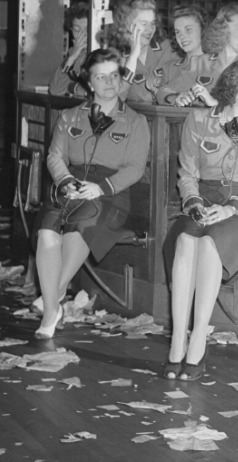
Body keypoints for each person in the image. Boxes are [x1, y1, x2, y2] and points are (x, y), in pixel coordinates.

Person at [163, 59, 238, 380]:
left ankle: (198, 338)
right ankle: (177, 339)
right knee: (185, 241)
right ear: (235, 91)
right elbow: (187, 173)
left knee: (209, 245)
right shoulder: (199, 120)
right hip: (204, 201)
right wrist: (194, 202)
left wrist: (233, 208)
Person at [32, 49, 151, 339]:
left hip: (110, 192)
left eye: (114, 75)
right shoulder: (70, 117)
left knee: (79, 228)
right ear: (89, 83)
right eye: (101, 76)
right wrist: (66, 181)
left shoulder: (135, 122)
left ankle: (51, 307)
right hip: (71, 185)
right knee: (47, 232)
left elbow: (136, 168)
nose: (109, 82)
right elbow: (54, 156)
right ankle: (54, 301)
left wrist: (101, 188)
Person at [173, 3, 238, 107]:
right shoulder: (200, 63)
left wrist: (215, 102)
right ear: (223, 28)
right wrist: (177, 98)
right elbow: (167, 90)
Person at [106, 0, 179, 104]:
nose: (150, 29)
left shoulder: (169, 48)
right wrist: (133, 56)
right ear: (127, 25)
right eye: (144, 24)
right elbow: (115, 100)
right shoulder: (115, 58)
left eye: (153, 23)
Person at [156, 5, 207, 105]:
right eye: (177, 32)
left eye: (188, 29)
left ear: (203, 30)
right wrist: (174, 99)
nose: (182, 36)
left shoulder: (217, 64)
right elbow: (160, 94)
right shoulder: (169, 67)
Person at [48, 2, 90, 97]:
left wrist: (73, 87)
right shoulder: (75, 53)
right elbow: (55, 90)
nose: (82, 35)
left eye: (87, 30)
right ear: (71, 30)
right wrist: (72, 58)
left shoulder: (105, 52)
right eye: (77, 30)